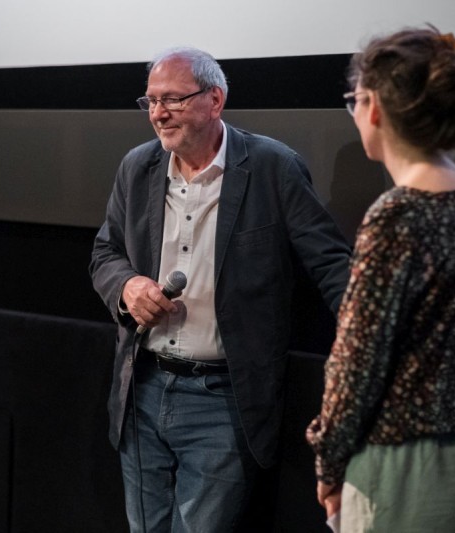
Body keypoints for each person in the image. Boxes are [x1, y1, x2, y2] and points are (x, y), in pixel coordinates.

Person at [90, 47, 351, 532]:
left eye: (172, 99)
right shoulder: (137, 167)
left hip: (222, 398)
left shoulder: (273, 167)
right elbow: (105, 254)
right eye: (149, 101)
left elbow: (331, 264)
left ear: (215, 99)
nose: (158, 114)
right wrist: (128, 286)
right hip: (141, 389)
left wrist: (374, 340)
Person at [305, 26, 455, 532]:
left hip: (414, 474)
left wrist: (328, 461)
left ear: (374, 106)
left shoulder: (398, 215)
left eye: (353, 100)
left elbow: (356, 362)